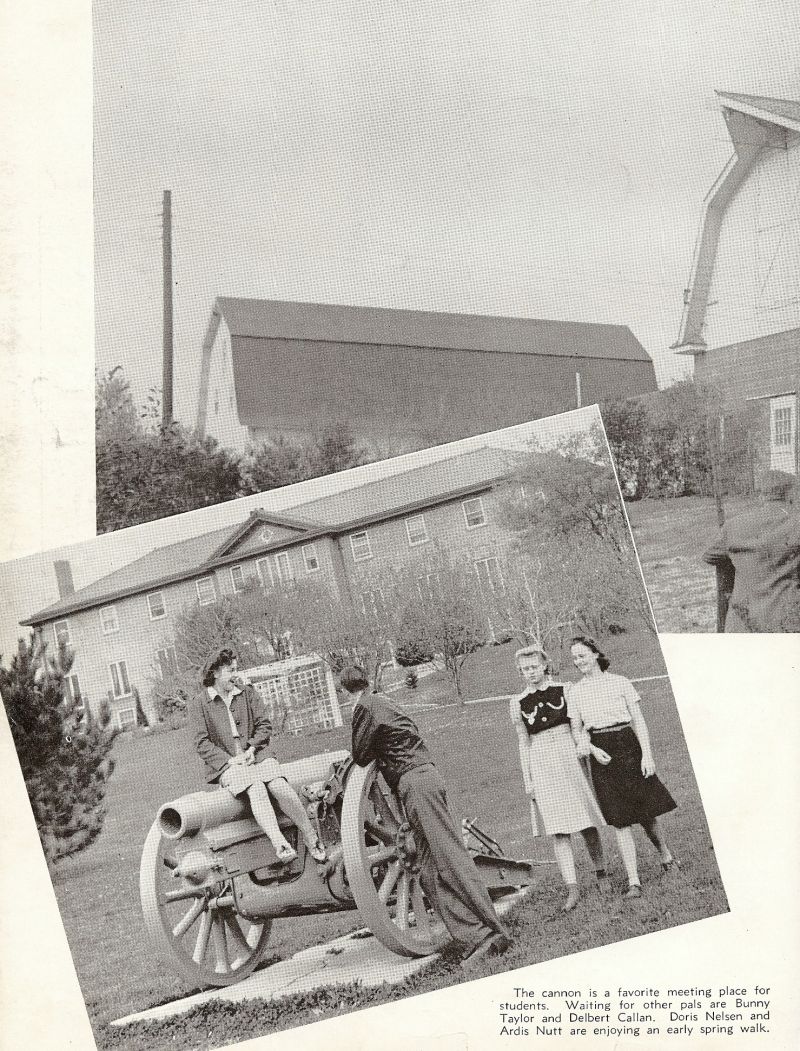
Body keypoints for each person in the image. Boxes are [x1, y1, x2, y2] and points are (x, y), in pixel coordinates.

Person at [340, 665, 512, 967]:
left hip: (416, 784)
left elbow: (360, 754)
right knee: (428, 869)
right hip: (419, 782)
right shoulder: (386, 701)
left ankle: (496, 932)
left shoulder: (365, 706)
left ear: (346, 690)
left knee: (450, 859)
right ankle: (475, 935)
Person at [190, 648, 327, 864]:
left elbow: (264, 725)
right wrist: (230, 760)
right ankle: (280, 843)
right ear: (215, 672)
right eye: (230, 671)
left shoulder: (246, 692)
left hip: (258, 754)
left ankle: (311, 837)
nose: (235, 675)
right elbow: (201, 743)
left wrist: (253, 749)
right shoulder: (200, 704)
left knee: (279, 785)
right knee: (256, 788)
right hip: (228, 766)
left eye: (236, 669)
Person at [566, 637, 678, 900]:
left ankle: (666, 856)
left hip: (629, 746)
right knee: (619, 819)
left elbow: (639, 721)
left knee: (646, 813)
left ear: (595, 654)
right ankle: (633, 881)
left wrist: (647, 756)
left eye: (582, 655)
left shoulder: (620, 682)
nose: (578, 661)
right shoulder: (576, 692)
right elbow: (576, 730)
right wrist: (593, 749)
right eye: (574, 658)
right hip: (602, 753)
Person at [510, 646, 607, 912]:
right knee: (558, 828)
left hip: (569, 756)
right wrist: (527, 779)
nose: (530, 673)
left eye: (534, 667)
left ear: (544, 666)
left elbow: (578, 728)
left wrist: (582, 746)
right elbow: (523, 744)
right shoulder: (517, 702)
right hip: (542, 762)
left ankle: (601, 873)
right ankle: (572, 887)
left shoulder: (565, 690)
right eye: (525, 669)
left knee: (586, 821)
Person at [703, 469, 799, 632]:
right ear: (791, 493)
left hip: (744, 623)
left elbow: (709, 556)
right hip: (787, 625)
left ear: (762, 494)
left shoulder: (735, 525)